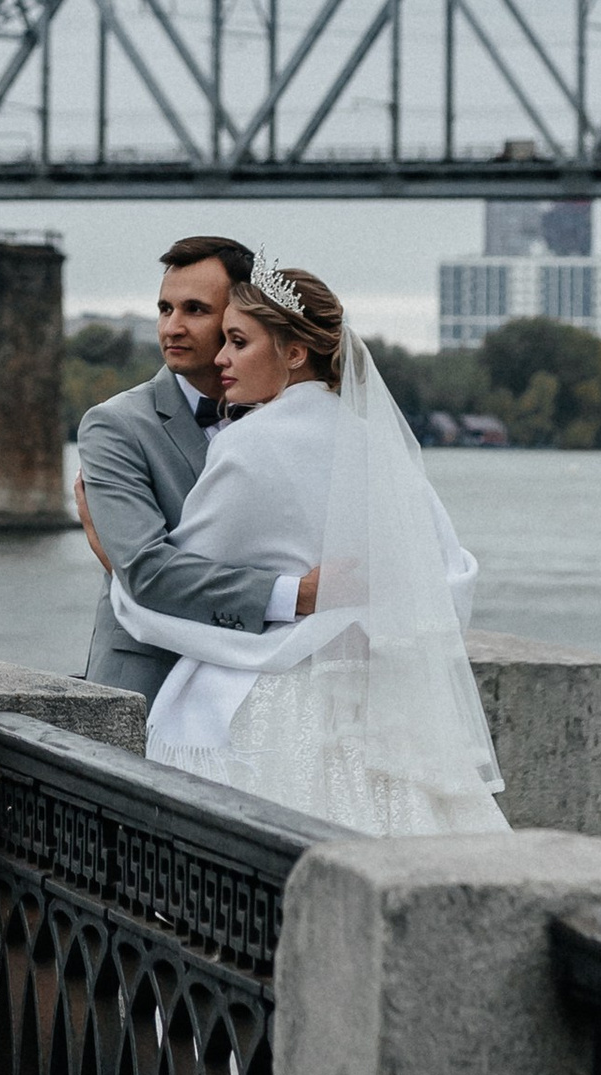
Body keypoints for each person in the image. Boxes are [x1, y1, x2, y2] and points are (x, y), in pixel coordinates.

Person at [101, 249, 506, 837]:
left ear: (292, 353)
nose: (220, 357)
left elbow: (162, 586)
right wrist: (354, 609)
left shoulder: (249, 443)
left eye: (237, 342)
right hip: (376, 709)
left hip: (268, 708)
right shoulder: (376, 444)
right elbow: (447, 575)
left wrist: (99, 536)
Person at [76, 235, 324, 697]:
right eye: (164, 309)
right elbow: (146, 571)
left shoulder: (301, 422)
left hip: (273, 687)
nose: (172, 328)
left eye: (195, 310)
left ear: (239, 315)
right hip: (149, 681)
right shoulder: (115, 426)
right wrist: (296, 595)